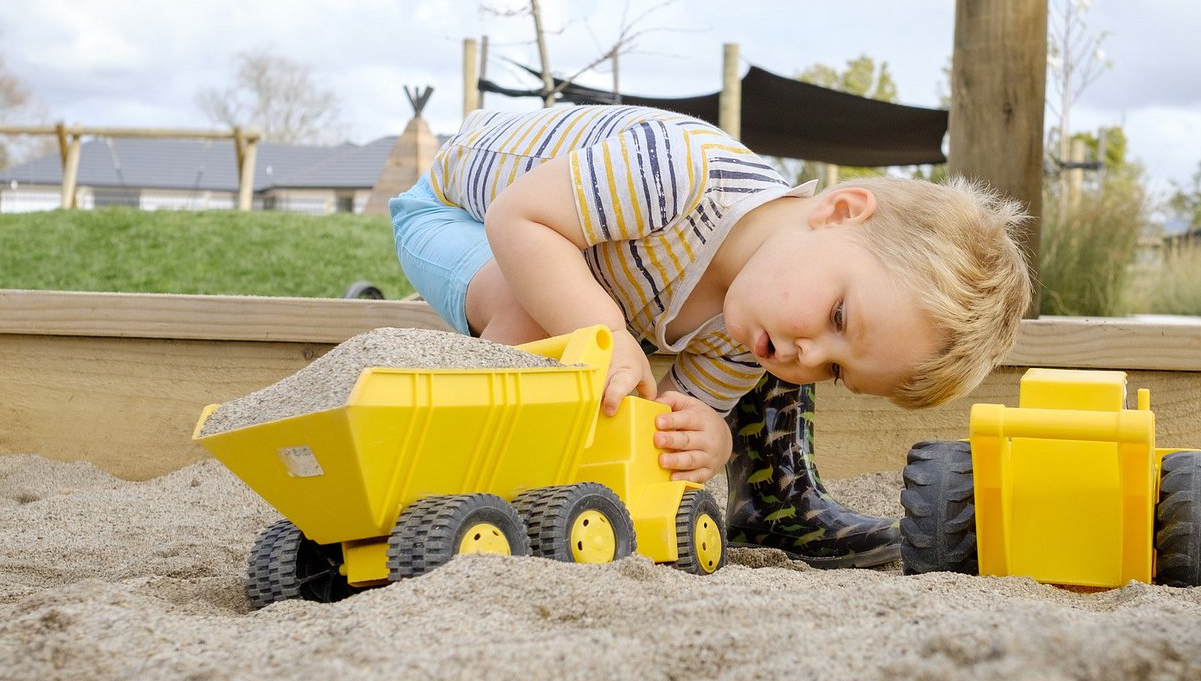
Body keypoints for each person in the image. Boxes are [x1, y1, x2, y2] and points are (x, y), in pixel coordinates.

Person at [390, 103, 1031, 485]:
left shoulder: (746, 343)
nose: (807, 357)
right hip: (459, 207)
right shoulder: (680, 172)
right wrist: (606, 330)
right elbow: (518, 217)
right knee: (535, 315)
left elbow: (664, 413)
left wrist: (708, 437)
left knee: (593, 367)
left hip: (572, 252)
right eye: (839, 317)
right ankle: (452, 467)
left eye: (836, 371)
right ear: (839, 212)